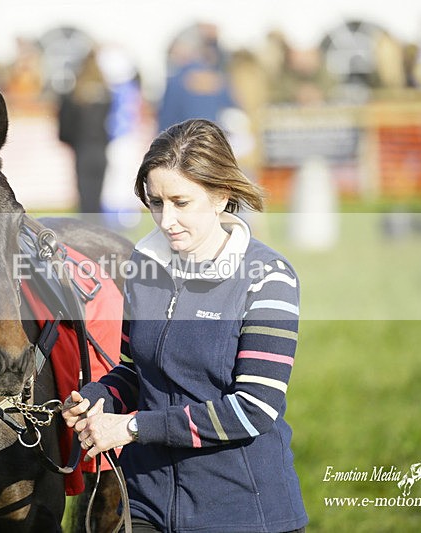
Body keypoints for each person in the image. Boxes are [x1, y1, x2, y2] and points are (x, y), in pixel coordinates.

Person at [62, 119, 308, 532]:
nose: (166, 219)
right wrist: (97, 397)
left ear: (220, 196)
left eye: (181, 202)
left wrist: (133, 427)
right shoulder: (143, 266)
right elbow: (136, 371)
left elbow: (254, 409)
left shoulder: (268, 277)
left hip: (243, 513)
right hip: (145, 507)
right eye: (155, 202)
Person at [57, 49, 113, 220]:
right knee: (97, 197)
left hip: (83, 149)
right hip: (100, 149)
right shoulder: (106, 95)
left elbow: (64, 128)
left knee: (85, 198)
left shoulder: (74, 96)